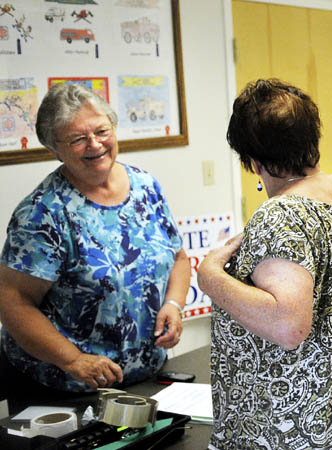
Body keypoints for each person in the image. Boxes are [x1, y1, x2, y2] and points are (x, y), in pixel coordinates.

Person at [197, 78, 332, 450]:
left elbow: (288, 324)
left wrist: (210, 277)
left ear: (252, 161)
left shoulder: (283, 215)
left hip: (302, 431)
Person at [0, 83, 190, 403]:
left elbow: (178, 258)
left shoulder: (145, 186)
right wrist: (73, 360)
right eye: (77, 139)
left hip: (146, 379)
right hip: (67, 391)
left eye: (102, 130)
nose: (95, 144)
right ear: (54, 149)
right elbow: (13, 302)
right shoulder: (42, 213)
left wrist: (173, 304)